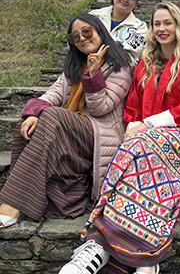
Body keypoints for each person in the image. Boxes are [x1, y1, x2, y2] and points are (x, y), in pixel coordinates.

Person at [56, 2, 180, 274]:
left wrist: (147, 126)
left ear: (178, 27)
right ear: (151, 28)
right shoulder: (143, 66)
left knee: (138, 144)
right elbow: (132, 109)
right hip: (145, 137)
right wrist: (133, 127)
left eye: (168, 23)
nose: (162, 28)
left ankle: (101, 241)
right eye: (157, 23)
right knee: (133, 149)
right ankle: (143, 269)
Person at [0, 14, 131, 229]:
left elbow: (100, 109)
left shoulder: (120, 65)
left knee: (52, 116)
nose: (81, 38)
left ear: (99, 31)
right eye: (75, 36)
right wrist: (33, 112)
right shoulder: (74, 66)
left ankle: (11, 204)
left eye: (87, 32)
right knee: (27, 126)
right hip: (67, 130)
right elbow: (53, 94)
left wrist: (94, 73)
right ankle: (27, 197)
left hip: (96, 133)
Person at [90, 0, 148, 64]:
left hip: (118, 69)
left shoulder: (141, 28)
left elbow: (131, 52)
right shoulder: (94, 16)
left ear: (136, 5)